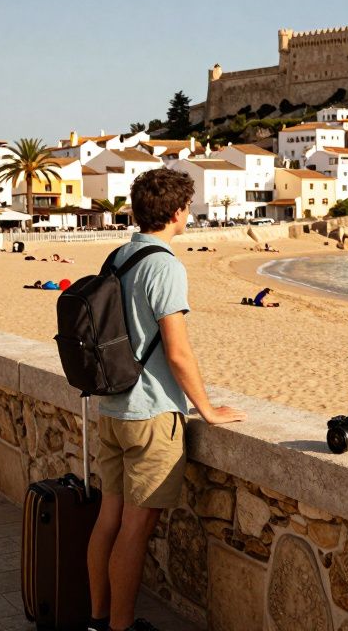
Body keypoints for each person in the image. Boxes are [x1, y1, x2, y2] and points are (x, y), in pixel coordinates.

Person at [86, 169, 246, 631]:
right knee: (135, 529)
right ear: (177, 212)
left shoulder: (118, 256)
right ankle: (120, 627)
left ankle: (97, 619)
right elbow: (177, 351)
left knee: (107, 520)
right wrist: (207, 410)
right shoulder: (165, 265)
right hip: (151, 412)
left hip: (113, 407)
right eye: (188, 207)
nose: (189, 214)